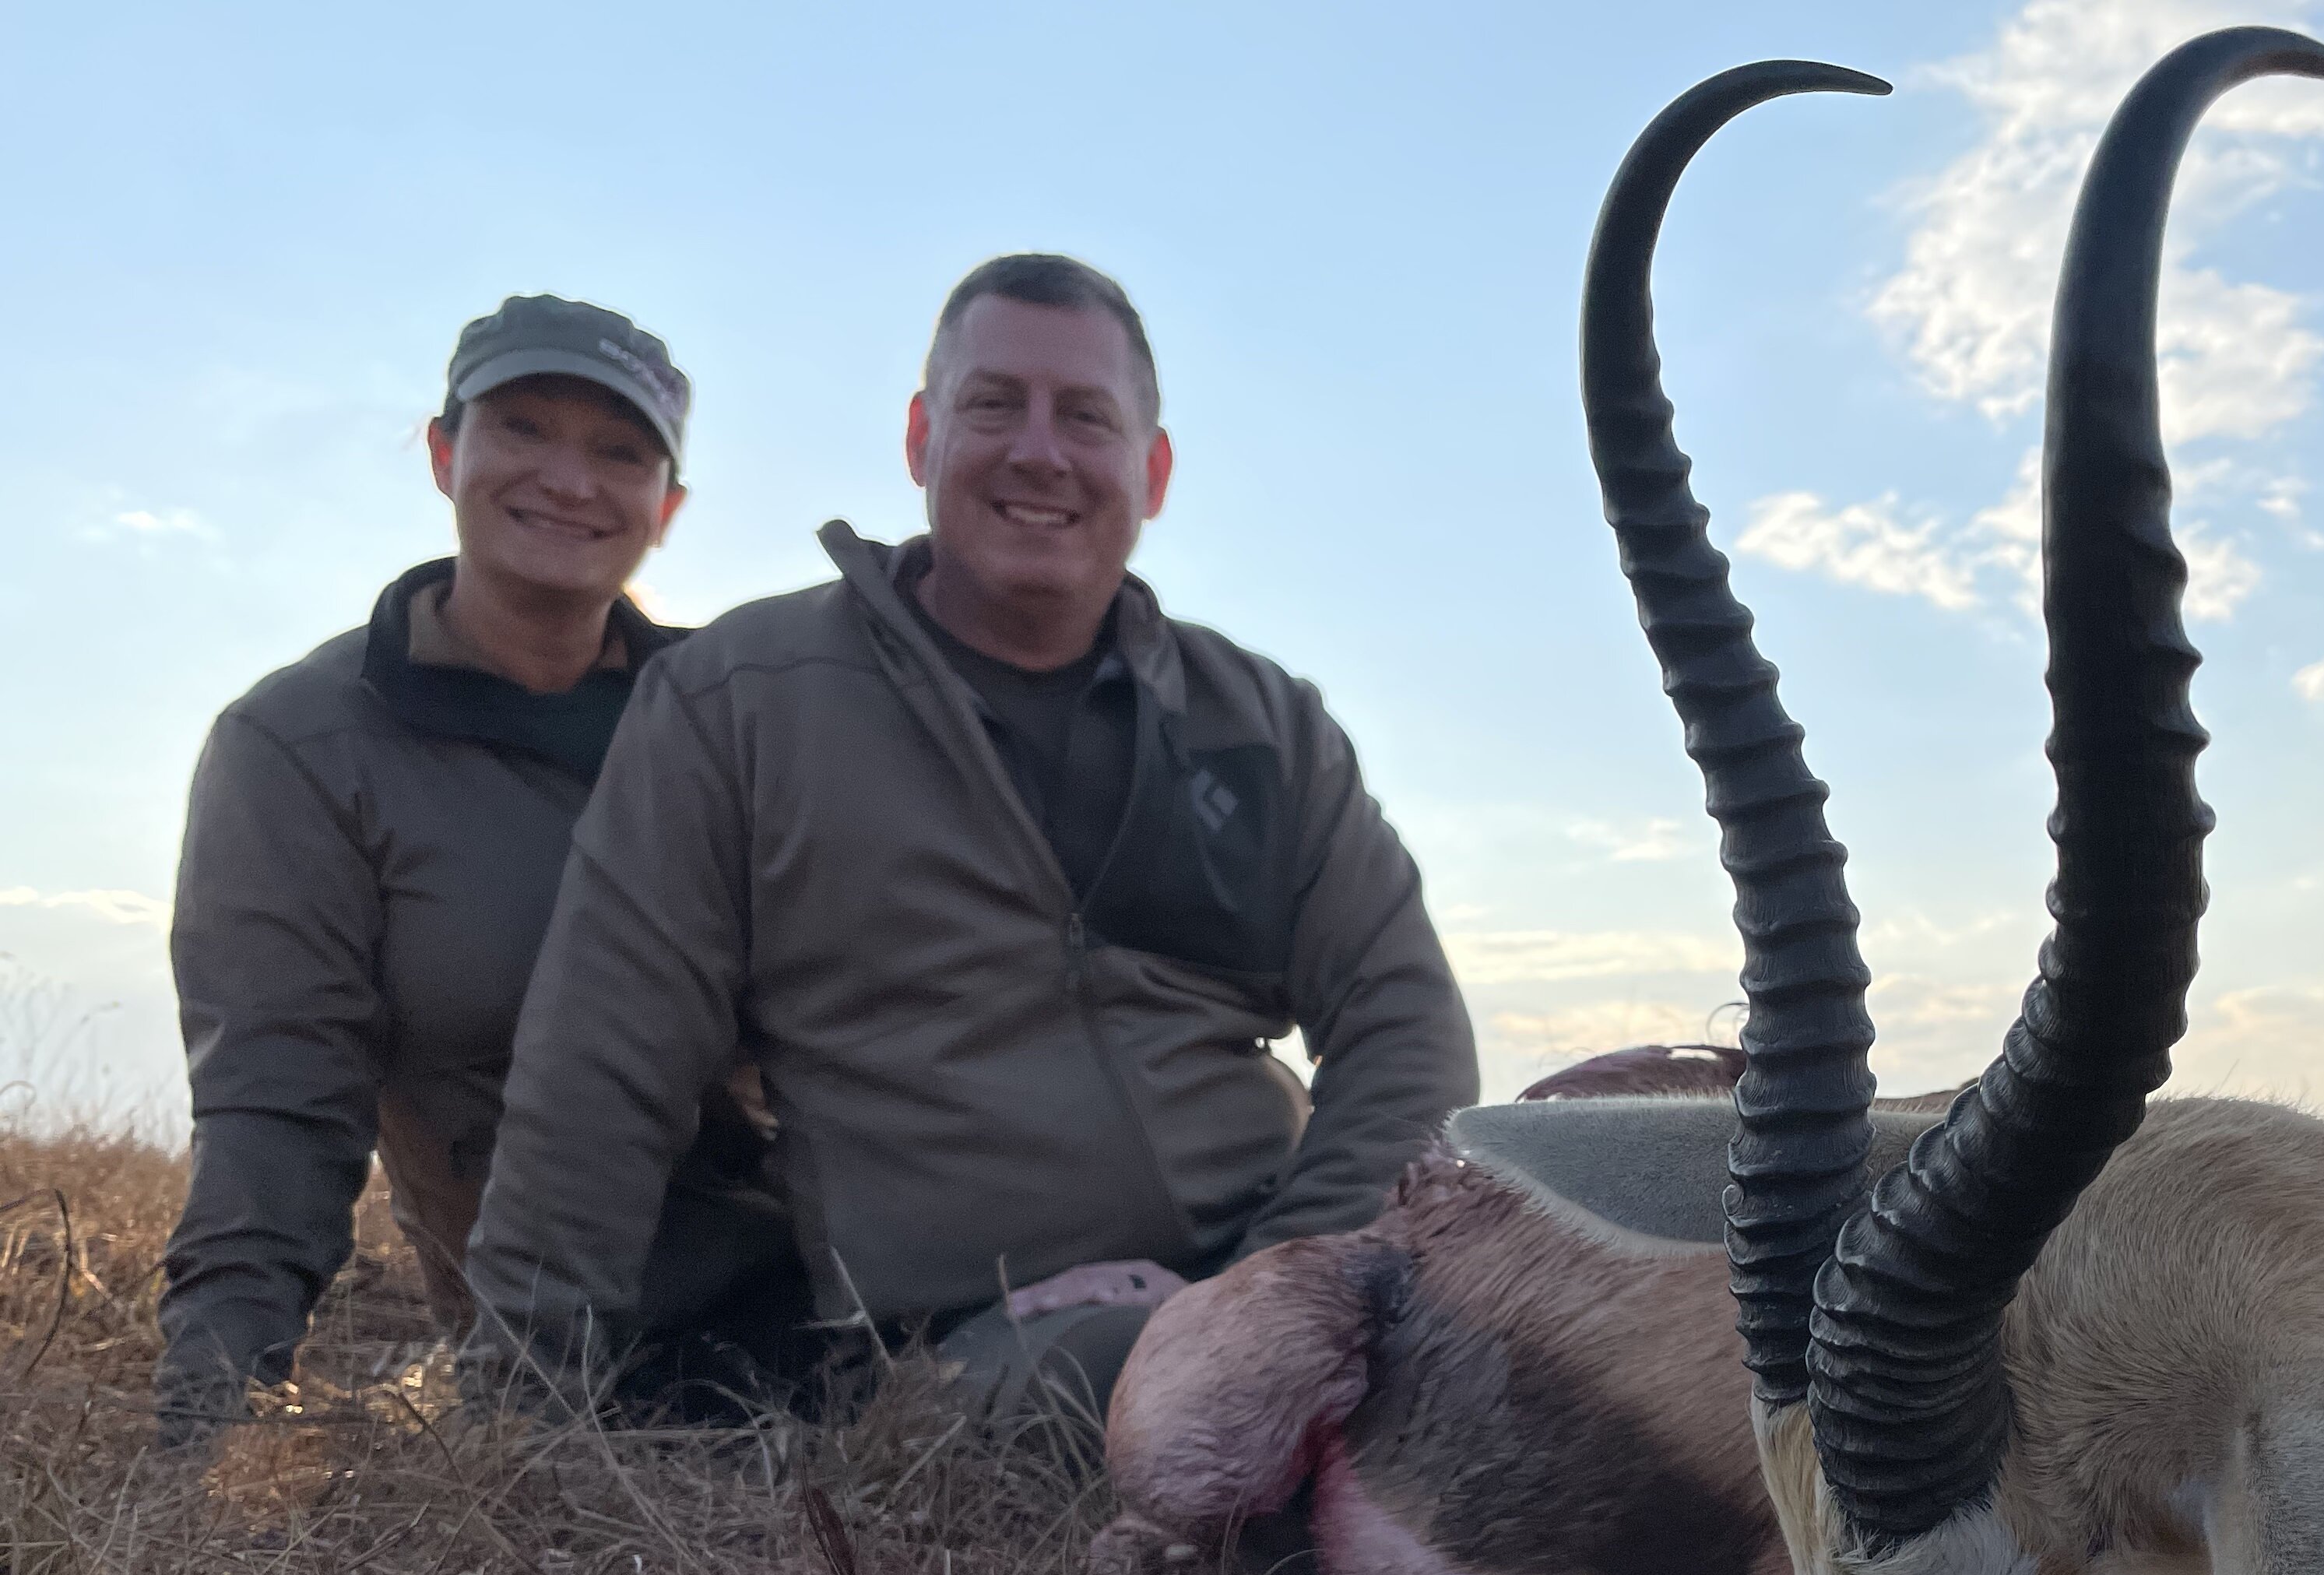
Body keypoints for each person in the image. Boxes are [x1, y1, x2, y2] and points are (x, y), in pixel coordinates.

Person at [463, 255, 1476, 1430]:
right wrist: (514, 1412)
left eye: (1086, 417)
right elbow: (601, 1075)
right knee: (1156, 1395)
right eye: (994, 405)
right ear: (920, 437)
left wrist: (1275, 1286)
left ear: (1151, 470)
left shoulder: (1261, 721)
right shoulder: (737, 703)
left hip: (1283, 1289)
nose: (1038, 452)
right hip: (971, 1348)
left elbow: (1407, 1028)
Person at [156, 297, 806, 1440]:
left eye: (620, 451)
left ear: (670, 508)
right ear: (445, 452)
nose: (569, 479)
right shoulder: (299, 750)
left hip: (834, 1285)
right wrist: (203, 1428)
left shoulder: (743, 720)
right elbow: (275, 1106)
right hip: (570, 1355)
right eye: (522, 429)